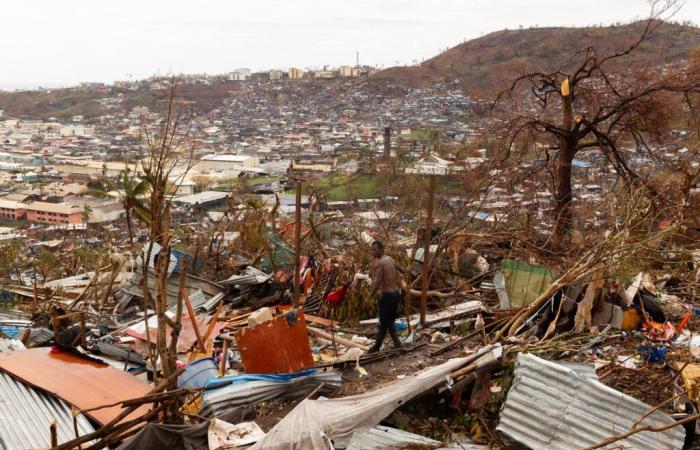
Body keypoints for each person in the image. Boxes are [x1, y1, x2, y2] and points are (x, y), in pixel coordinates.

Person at [367, 239, 404, 353]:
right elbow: (401, 268)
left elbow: (378, 282)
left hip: (388, 295)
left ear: (382, 249)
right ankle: (397, 343)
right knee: (390, 321)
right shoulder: (390, 259)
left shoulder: (380, 263)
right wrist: (408, 270)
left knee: (383, 322)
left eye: (375, 250)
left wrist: (369, 297)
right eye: (372, 250)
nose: (373, 252)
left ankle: (376, 347)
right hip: (396, 294)